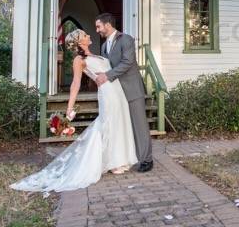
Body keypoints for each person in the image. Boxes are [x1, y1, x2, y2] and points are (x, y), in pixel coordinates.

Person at [10, 29, 138, 194]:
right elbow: (76, 83)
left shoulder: (96, 55)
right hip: (107, 94)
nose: (89, 35)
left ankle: (118, 159)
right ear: (79, 42)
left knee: (119, 122)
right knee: (108, 124)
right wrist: (69, 106)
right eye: (85, 35)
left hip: (118, 91)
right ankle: (111, 162)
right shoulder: (79, 60)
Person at [95, 12, 153, 172]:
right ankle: (128, 157)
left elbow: (127, 62)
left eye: (98, 26)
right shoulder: (103, 46)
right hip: (116, 93)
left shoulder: (126, 39)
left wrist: (107, 76)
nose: (97, 30)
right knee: (124, 126)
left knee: (139, 125)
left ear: (108, 25)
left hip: (132, 89)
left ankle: (147, 160)